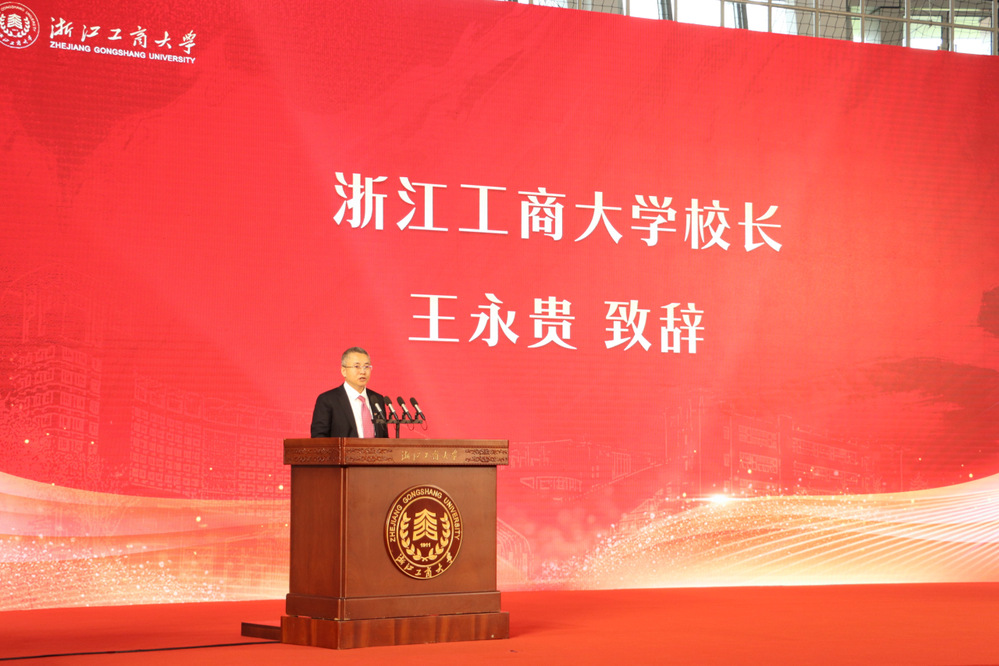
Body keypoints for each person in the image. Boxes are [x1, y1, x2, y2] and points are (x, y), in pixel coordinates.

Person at [310, 346, 389, 438]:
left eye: (366, 366)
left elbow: (383, 437)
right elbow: (318, 438)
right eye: (357, 366)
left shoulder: (377, 399)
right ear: (344, 371)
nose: (363, 371)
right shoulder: (327, 400)